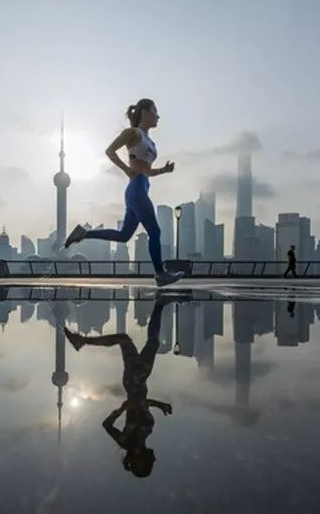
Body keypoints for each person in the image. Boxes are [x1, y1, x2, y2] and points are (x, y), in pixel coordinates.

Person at [64, 99, 183, 287]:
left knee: (124, 236)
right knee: (155, 231)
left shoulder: (150, 141)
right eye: (155, 111)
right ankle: (160, 274)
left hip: (141, 188)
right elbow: (110, 151)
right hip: (136, 189)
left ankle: (84, 233)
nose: (158, 116)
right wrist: (125, 169)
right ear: (144, 112)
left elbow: (147, 170)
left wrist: (163, 170)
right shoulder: (133, 133)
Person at [63, 293, 175, 478]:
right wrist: (160, 405)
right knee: (153, 342)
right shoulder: (145, 434)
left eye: (148, 464)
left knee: (124, 339)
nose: (153, 460)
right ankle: (159, 304)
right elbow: (143, 404)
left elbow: (106, 424)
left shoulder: (127, 442)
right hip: (140, 381)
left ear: (139, 463)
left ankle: (81, 341)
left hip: (134, 381)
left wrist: (121, 409)